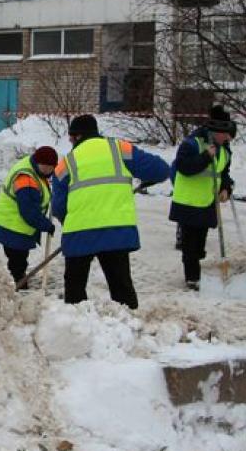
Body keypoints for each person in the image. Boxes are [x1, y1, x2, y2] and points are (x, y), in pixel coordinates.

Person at [51, 114, 169, 309]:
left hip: (79, 233)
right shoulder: (119, 149)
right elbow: (161, 170)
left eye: (71, 138)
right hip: (116, 231)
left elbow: (58, 207)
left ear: (77, 136)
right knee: (121, 287)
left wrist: (67, 220)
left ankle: (73, 327)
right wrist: (147, 179)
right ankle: (128, 324)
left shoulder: (66, 163)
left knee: (74, 290)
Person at [169, 105, 235, 290]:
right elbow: (184, 167)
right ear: (215, 132)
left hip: (206, 202)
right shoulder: (192, 144)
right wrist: (206, 156)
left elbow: (224, 172)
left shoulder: (225, 149)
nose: (228, 138)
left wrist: (226, 187)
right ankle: (192, 277)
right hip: (188, 201)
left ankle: (196, 273)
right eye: (225, 134)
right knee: (190, 245)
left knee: (199, 244)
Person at [0, 146, 58, 287]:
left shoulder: (34, 166)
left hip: (14, 224)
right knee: (18, 260)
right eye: (45, 168)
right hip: (12, 226)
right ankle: (19, 286)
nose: (48, 171)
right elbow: (29, 212)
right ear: (38, 162)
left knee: (18, 259)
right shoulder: (26, 180)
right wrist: (46, 225)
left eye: (51, 168)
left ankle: (18, 282)